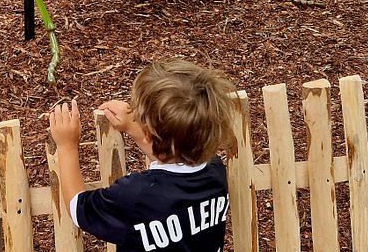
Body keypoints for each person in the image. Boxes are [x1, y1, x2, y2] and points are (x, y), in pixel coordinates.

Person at [49, 59, 237, 252]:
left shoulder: (137, 195)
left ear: (149, 133)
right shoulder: (215, 171)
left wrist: (67, 147)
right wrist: (134, 126)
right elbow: (174, 153)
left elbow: (78, 207)